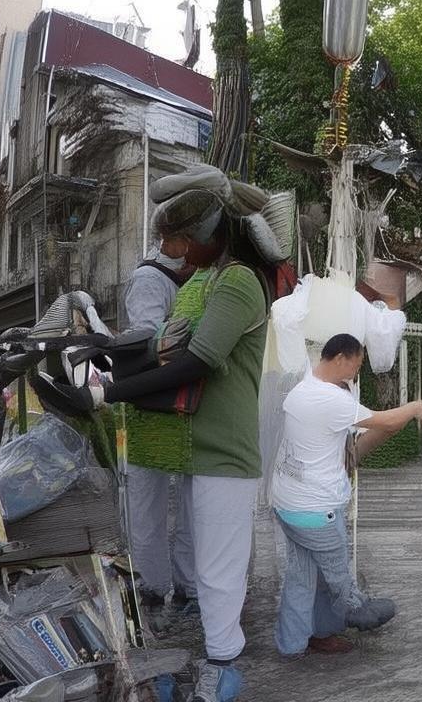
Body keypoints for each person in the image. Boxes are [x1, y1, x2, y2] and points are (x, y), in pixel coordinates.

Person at [35, 169, 274, 702]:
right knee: (204, 563)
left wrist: (105, 395)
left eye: (182, 242)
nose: (174, 254)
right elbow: (163, 348)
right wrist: (106, 369)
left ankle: (224, 666)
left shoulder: (237, 281)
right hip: (193, 445)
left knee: (216, 570)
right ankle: (216, 660)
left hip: (223, 451)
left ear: (211, 233)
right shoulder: (205, 280)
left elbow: (198, 362)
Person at [270, 333, 422, 657]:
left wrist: (391, 424)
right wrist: (415, 406)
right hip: (317, 511)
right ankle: (352, 615)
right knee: (338, 581)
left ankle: (292, 644)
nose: (355, 374)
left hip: (287, 505)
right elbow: (384, 421)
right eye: (356, 366)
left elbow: (364, 438)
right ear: (342, 358)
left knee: (302, 576)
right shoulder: (331, 399)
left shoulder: (303, 388)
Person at [121, 249, 199, 618]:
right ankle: (153, 585)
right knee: (148, 499)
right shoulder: (150, 279)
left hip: (188, 406)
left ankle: (189, 585)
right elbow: (146, 340)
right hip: (153, 407)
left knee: (193, 499)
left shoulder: (202, 274)